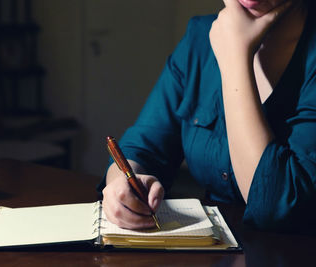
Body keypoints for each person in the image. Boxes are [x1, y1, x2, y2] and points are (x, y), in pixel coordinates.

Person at [98, 0, 316, 233]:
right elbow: (144, 146)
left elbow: (276, 207)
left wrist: (236, 59)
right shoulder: (200, 37)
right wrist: (120, 187)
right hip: (214, 249)